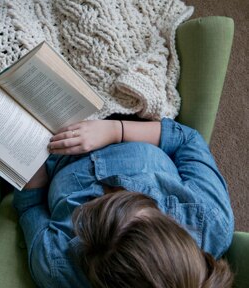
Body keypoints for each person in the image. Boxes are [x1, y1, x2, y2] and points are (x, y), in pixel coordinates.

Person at [13, 117, 234, 287]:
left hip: (52, 147)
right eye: (127, 198)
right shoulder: (212, 218)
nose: (105, 193)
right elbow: (187, 139)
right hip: (133, 122)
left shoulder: (57, 267)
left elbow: (31, 205)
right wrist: (115, 130)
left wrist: (28, 151)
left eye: (91, 210)